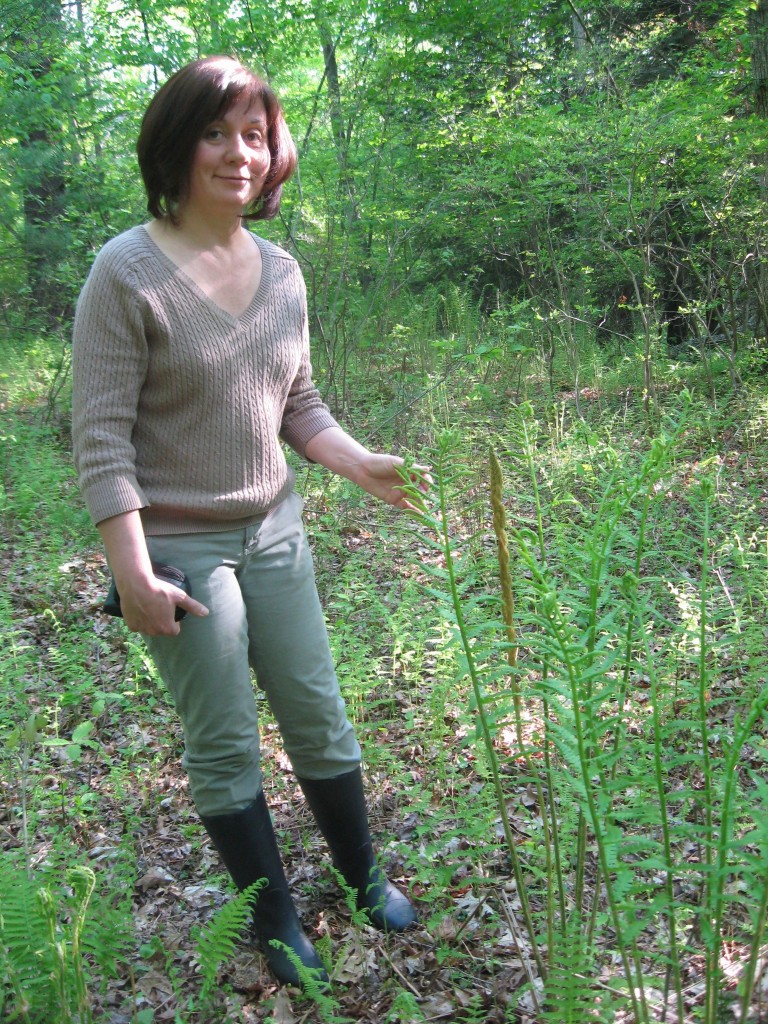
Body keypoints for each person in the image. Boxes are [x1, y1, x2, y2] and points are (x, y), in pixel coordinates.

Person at [71, 55, 427, 988]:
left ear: (275, 155)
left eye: (256, 135)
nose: (239, 153)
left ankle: (361, 878)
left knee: (318, 711)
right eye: (216, 131)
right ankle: (274, 922)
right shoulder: (125, 270)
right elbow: (101, 438)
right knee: (224, 737)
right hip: (179, 547)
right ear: (177, 144)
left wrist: (358, 462)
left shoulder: (282, 273)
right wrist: (135, 573)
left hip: (273, 527)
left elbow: (297, 402)